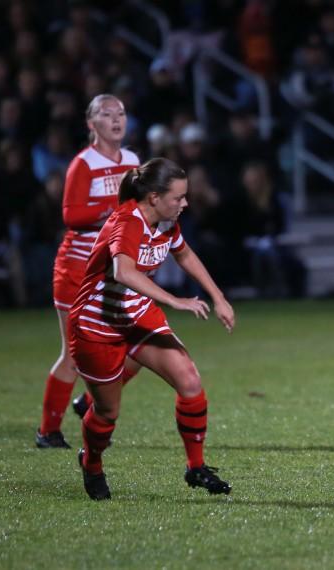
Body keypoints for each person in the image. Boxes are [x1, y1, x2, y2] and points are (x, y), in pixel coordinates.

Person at [69, 157, 234, 500]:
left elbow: (184, 254)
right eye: (178, 197)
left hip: (139, 317)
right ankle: (92, 463)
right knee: (107, 413)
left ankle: (196, 467)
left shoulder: (166, 221)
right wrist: (175, 301)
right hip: (97, 326)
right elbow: (123, 272)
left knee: (189, 381)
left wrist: (218, 297)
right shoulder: (127, 221)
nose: (185, 203)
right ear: (154, 198)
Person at [35, 94, 141, 449]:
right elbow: (72, 216)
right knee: (73, 355)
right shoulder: (83, 163)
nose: (116, 119)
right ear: (91, 124)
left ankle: (89, 402)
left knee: (135, 350)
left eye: (121, 113)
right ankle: (48, 431)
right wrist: (112, 208)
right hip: (77, 268)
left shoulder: (133, 160)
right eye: (107, 114)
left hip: (114, 270)